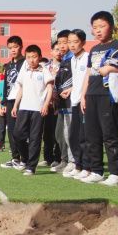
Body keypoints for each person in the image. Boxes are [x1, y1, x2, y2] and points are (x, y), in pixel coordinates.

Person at [80, 11, 118, 186]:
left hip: (108, 96)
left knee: (110, 134)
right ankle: (97, 171)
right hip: (92, 96)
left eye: (102, 26)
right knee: (92, 135)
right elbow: (88, 73)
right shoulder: (94, 49)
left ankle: (116, 174)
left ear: (111, 27)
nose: (98, 30)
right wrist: (83, 95)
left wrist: (111, 69)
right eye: (95, 27)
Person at [11, 45, 54, 176]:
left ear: (39, 57)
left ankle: (31, 166)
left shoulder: (44, 70)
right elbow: (21, 89)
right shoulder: (25, 70)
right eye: (29, 57)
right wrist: (15, 105)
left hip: (38, 109)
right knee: (18, 134)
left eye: (34, 57)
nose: (31, 60)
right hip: (24, 107)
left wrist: (46, 105)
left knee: (35, 138)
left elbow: (50, 88)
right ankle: (25, 158)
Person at [64, 29, 90, 180]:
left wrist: (84, 96)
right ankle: (78, 165)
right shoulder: (72, 59)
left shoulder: (87, 58)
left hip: (84, 102)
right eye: (70, 42)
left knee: (84, 136)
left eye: (75, 42)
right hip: (74, 101)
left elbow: (88, 79)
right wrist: (71, 89)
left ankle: (87, 167)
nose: (72, 45)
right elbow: (78, 80)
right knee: (73, 136)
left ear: (83, 43)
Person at [0, 36, 25, 167]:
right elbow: (5, 84)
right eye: (10, 48)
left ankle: (24, 158)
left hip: (22, 100)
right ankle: (15, 158)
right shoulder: (8, 65)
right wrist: (3, 102)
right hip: (9, 100)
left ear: (21, 47)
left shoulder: (25, 62)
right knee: (12, 130)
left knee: (20, 131)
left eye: (15, 47)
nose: (13, 50)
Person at [51, 29, 74, 174]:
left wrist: (72, 88)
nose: (61, 46)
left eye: (64, 42)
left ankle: (73, 162)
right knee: (60, 134)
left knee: (69, 133)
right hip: (61, 104)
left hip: (72, 103)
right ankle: (64, 160)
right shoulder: (64, 60)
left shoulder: (75, 59)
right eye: (59, 43)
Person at [39, 41, 62, 167]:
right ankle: (47, 157)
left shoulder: (65, 66)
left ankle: (58, 158)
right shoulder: (45, 67)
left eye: (60, 49)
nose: (59, 52)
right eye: (56, 49)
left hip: (60, 104)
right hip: (46, 103)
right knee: (47, 132)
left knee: (58, 133)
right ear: (51, 51)